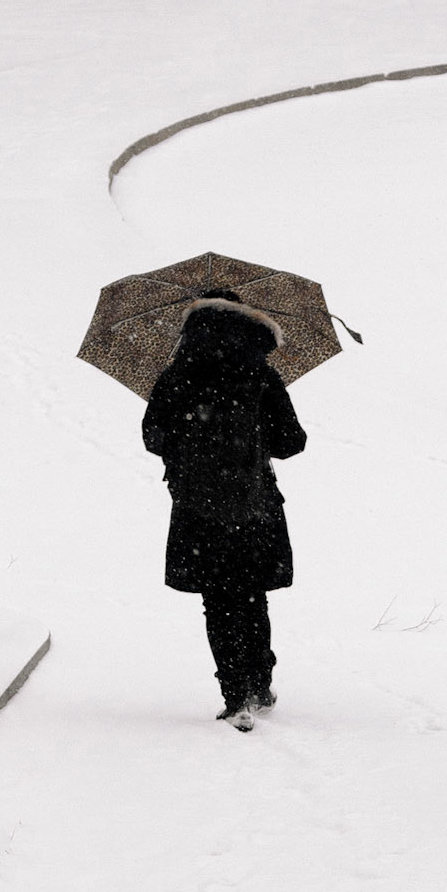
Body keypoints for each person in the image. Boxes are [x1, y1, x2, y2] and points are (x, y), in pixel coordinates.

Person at [141, 290, 306, 730]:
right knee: (252, 596)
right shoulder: (261, 373)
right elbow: (293, 443)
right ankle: (260, 682)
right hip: (256, 506)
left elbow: (152, 438)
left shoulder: (177, 374)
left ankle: (235, 696)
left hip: (199, 508)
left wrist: (189, 438)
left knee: (219, 601)